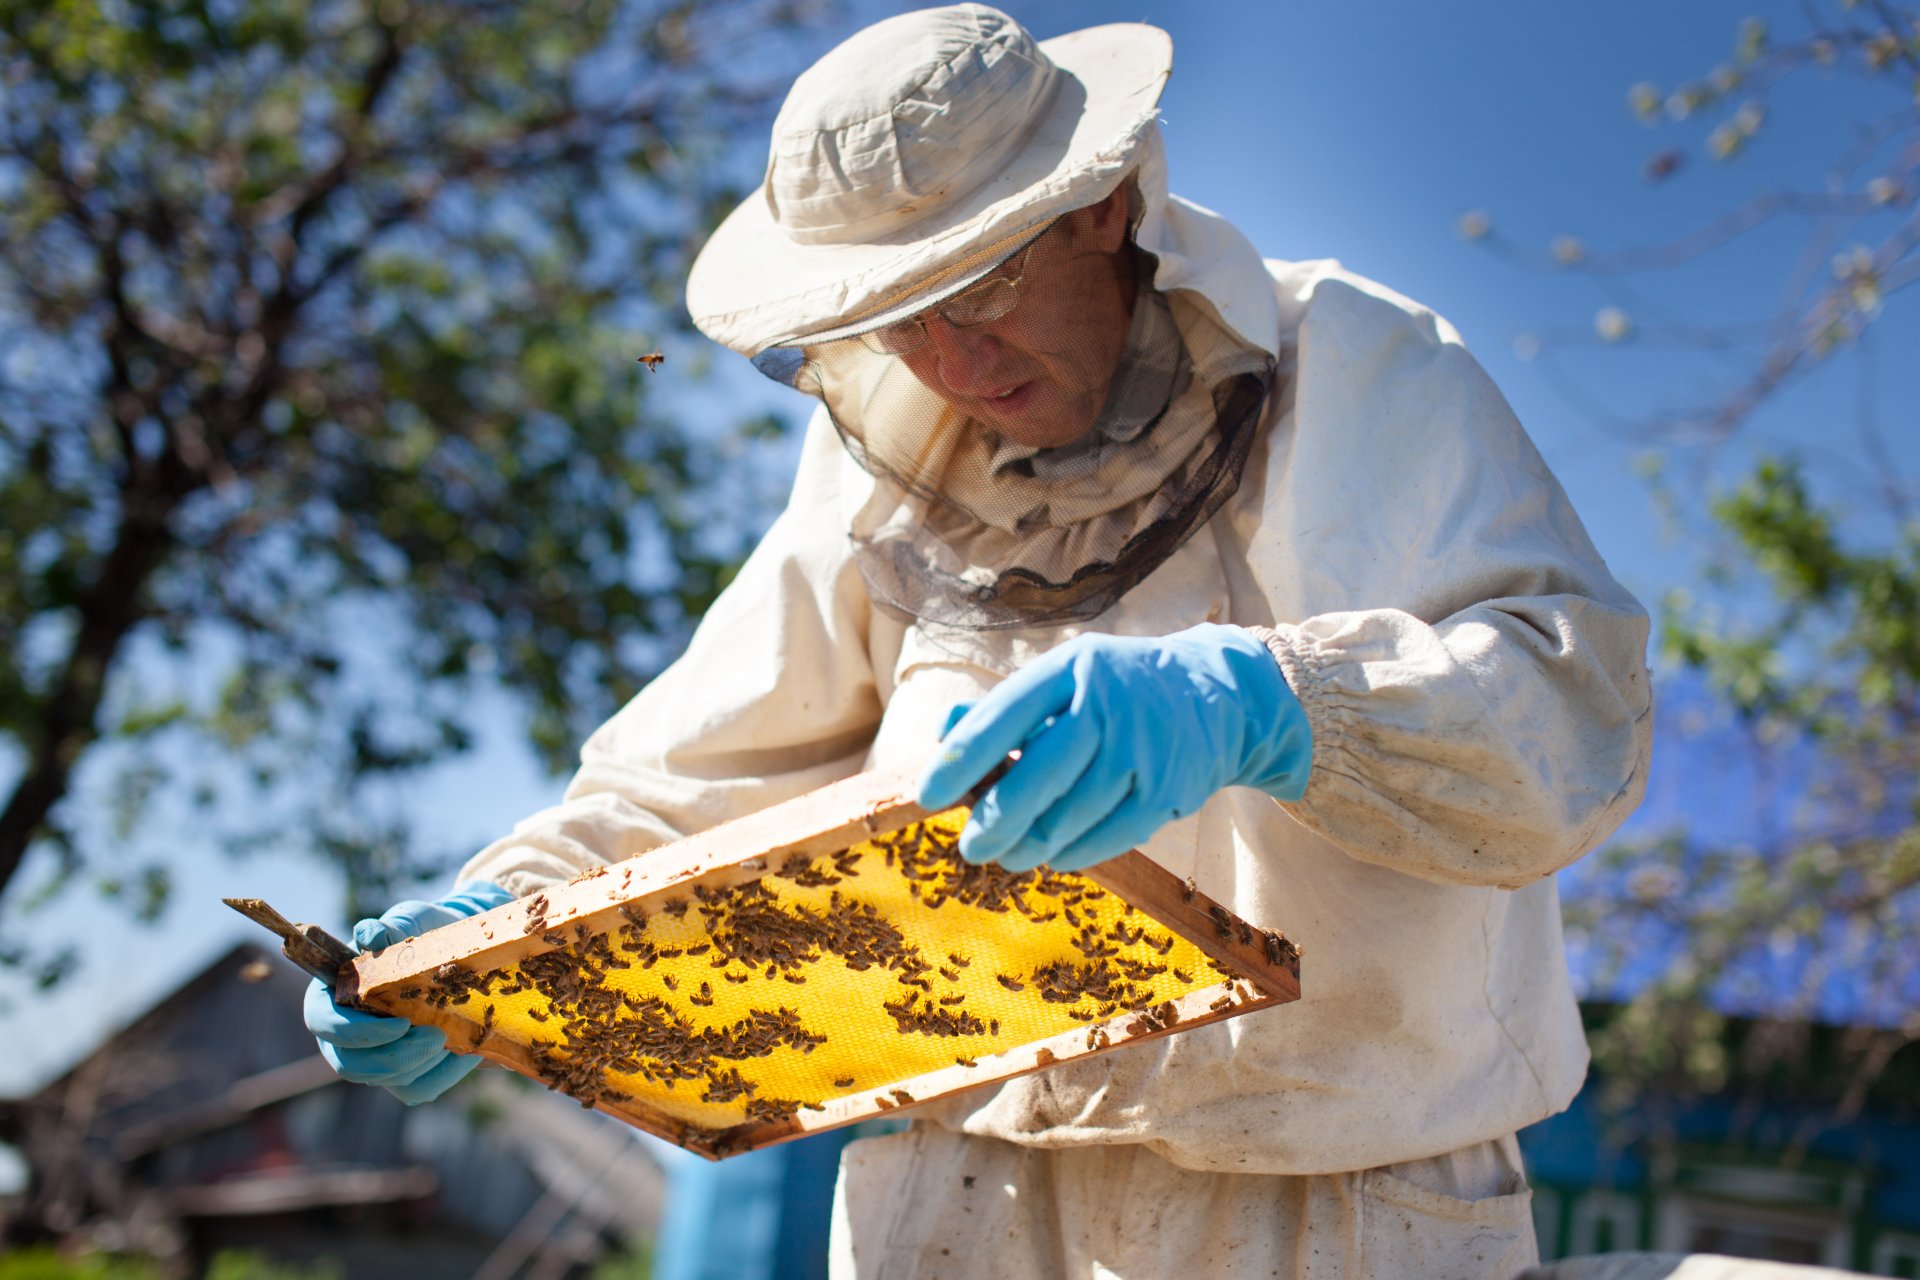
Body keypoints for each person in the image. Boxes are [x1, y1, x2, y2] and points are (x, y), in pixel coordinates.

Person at [306, 7, 1654, 1277]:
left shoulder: (1361, 360)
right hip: (948, 1196)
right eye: (897, 317)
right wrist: (489, 938)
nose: (948, 363)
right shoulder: (878, 477)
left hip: (1334, 1197)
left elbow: (1574, 715)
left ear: (1107, 204)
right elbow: (695, 780)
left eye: (985, 288)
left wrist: (1275, 702)